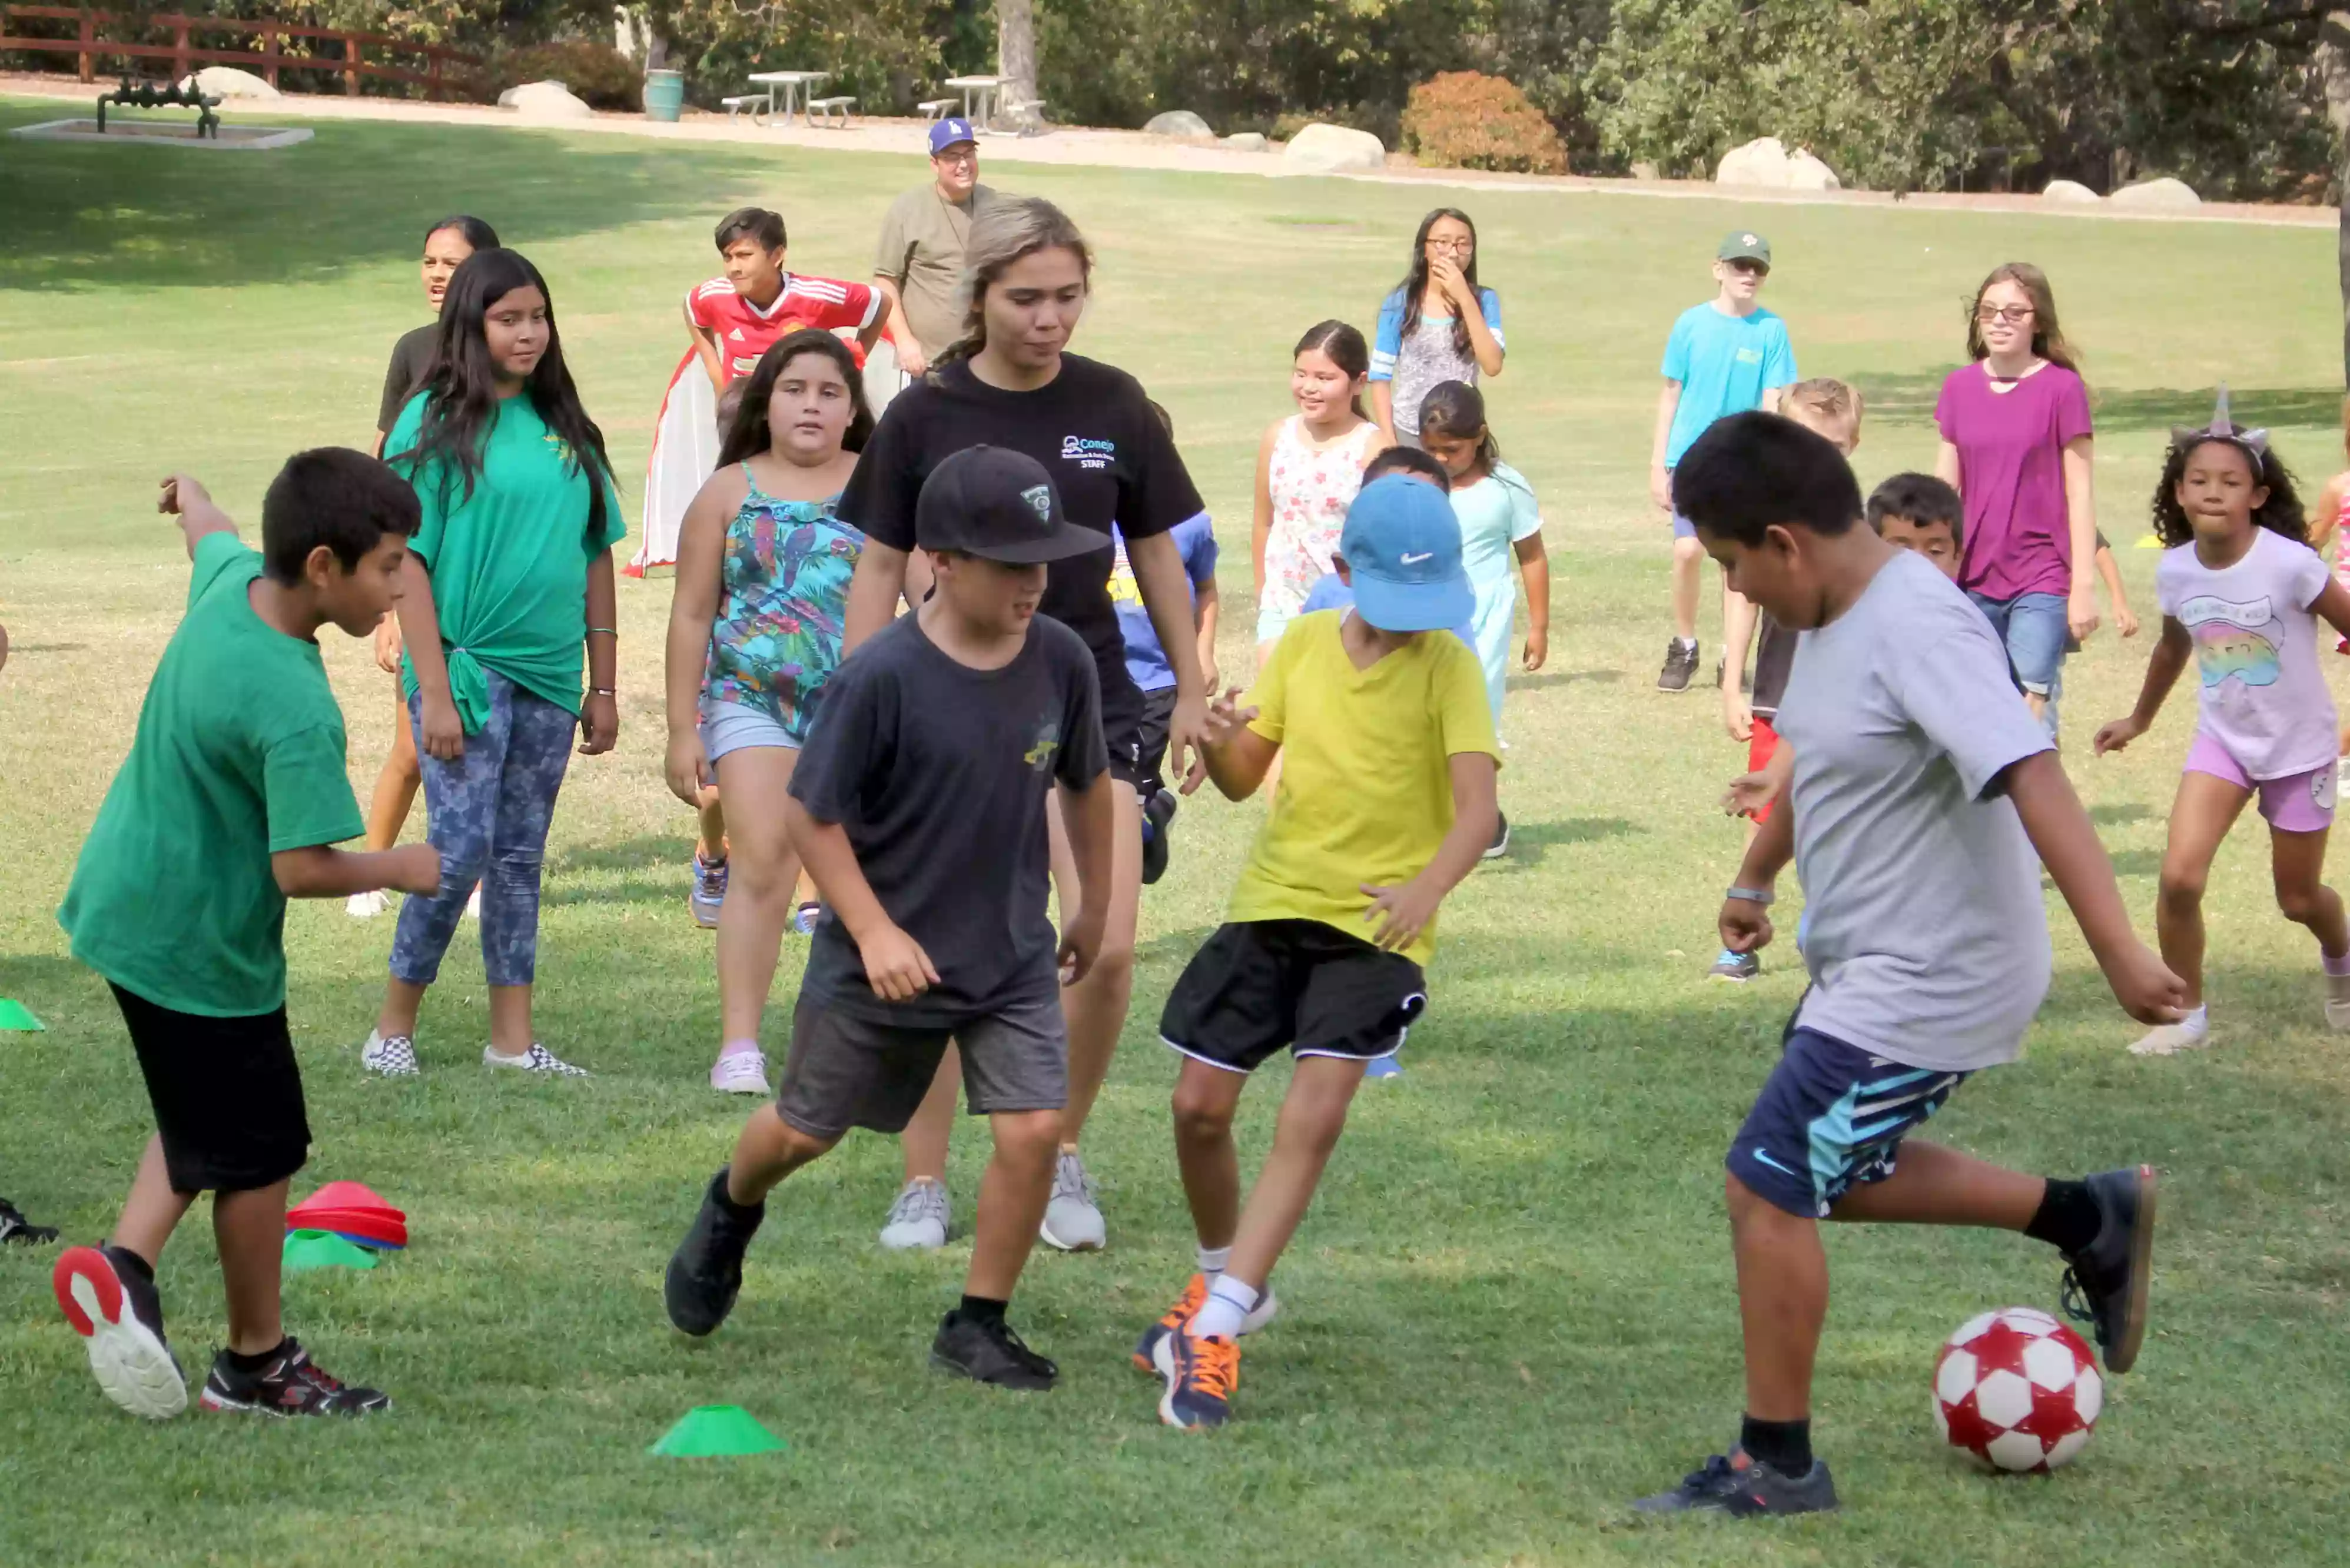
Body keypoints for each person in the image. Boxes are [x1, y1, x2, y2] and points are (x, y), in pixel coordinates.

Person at [1637, 411, 2183, 1518]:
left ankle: (1775, 1462)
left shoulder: (1919, 624)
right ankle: (2088, 1215)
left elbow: (2033, 774)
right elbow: (1822, 765)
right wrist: (1753, 878)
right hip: (1865, 961)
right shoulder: (1835, 607)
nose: (1737, 592)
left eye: (1737, 566)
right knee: (1833, 1166)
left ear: (1784, 540)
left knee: (1769, 1179)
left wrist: (2120, 949)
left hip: (1937, 970)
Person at [662, 446, 1116, 1390]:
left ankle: (978, 1322)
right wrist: (869, 930)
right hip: (879, 959)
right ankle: (731, 1208)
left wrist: (1094, 905)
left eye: (1045, 562)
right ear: (942, 560)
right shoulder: (881, 676)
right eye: (1013, 564)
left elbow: (1087, 785)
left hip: (1008, 955)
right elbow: (809, 815)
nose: (1037, 583)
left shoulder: (1061, 660)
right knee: (801, 1133)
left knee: (1033, 1131)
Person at [839, 197, 1209, 1257]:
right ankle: (922, 1177)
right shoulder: (925, 410)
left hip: (1088, 691)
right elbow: (875, 566)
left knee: (1110, 944)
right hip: (949, 703)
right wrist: (867, 701)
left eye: (1067, 297)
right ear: (979, 297)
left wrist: (1189, 680)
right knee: (946, 942)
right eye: (1027, 298)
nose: (1051, 319)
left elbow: (1156, 554)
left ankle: (1057, 1149)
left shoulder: (1114, 404)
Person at [51, 459, 440, 1421]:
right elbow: (301, 867)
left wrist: (190, 493)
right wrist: (402, 866)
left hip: (125, 905)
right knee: (260, 1149)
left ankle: (126, 1267)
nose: (399, 586)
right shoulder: (295, 702)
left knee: (204, 1111)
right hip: (199, 948)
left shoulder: (233, 580)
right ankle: (256, 1363)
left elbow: (210, 529)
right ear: (321, 564)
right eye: (387, 567)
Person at [1141, 476, 1499, 1429]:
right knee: (1197, 1105)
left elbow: (1478, 811)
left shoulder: (1449, 667)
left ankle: (1213, 1325)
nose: (1414, 624)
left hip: (1376, 930)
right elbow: (1242, 777)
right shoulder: (1301, 643)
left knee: (1313, 1112)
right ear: (1342, 572)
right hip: (1271, 906)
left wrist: (1427, 889)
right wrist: (1218, 740)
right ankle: (1229, 1278)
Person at [357, 248, 625, 1080]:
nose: (529, 333)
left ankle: (512, 1042)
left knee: (518, 856)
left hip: (551, 678)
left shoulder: (568, 428)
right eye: (509, 318)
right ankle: (392, 1026)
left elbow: (596, 557)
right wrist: (430, 692)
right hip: (463, 672)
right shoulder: (431, 420)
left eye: (539, 316)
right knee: (462, 847)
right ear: (470, 326)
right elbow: (410, 564)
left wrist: (605, 683)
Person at [2092, 397, 2350, 1057]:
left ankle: (2341, 962)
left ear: (2257, 495)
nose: (2212, 492)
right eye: (2198, 480)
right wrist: (2138, 719)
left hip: (2298, 749)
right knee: (2178, 880)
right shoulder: (2175, 569)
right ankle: (2184, 1014)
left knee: (2296, 899)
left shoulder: (2290, 563)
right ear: (2177, 492)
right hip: (2222, 745)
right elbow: (2173, 649)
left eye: (2230, 482)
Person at [665, 330, 872, 1095]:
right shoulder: (726, 493)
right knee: (763, 862)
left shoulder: (885, 486)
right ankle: (741, 1048)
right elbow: (691, 615)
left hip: (859, 709)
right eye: (795, 390)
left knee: (861, 872)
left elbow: (927, 596)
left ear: (853, 410)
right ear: (767, 403)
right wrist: (684, 729)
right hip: (750, 700)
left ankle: (852, 1038)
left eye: (829, 392)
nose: (811, 405)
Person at [353, 214, 499, 921]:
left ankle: (470, 875)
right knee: (413, 745)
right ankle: (370, 870)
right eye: (429, 261)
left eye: (452, 263)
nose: (437, 275)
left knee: (483, 745)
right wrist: (384, 606)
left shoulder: (515, 358)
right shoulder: (413, 351)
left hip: (488, 582)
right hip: (419, 569)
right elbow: (387, 476)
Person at [636, 208, 884, 575]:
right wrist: (718, 377)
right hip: (745, 412)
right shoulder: (715, 295)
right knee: (743, 487)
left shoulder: (818, 295)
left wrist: (851, 367)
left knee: (811, 479)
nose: (734, 267)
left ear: (777, 255)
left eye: (744, 256)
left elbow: (879, 305)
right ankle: (741, 559)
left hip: (803, 413)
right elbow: (693, 310)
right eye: (727, 257)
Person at [1711, 378, 1858, 982]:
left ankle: (1835, 928)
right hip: (1778, 690)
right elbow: (1740, 596)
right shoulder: (1762, 515)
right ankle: (1741, 933)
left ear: (1850, 446)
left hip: (1846, 696)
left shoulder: (1858, 523)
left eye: (1830, 443)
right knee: (1765, 808)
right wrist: (1730, 682)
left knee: (1840, 814)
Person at [1934, 262, 2099, 737]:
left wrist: (2083, 586)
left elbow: (2080, 491)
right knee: (1974, 708)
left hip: (2042, 574)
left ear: (2038, 320)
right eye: (1988, 311)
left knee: (2033, 711)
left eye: (2014, 311)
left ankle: (2039, 811)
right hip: (1973, 574)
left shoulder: (2062, 390)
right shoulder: (1958, 387)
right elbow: (1944, 492)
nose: (2000, 321)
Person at [1651, 231, 1797, 693]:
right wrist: (1659, 463)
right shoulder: (1690, 324)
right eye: (1740, 266)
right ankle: (1684, 643)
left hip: (1742, 463)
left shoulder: (1771, 330)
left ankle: (1732, 658)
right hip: (1690, 461)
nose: (1749, 275)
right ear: (1719, 270)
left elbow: (1773, 398)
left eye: (1758, 268)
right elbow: (1671, 394)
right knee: (1688, 550)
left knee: (1736, 564)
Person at [1412, 381, 1545, 858]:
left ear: (1480, 435)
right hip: (1426, 615)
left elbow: (1531, 555)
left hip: (1485, 617)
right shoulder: (1417, 484)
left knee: (1475, 718)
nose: (1442, 459)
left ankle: (1483, 821)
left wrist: (1539, 626)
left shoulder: (1506, 488)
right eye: (1431, 450)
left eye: (1452, 449)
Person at [1111, 401, 1219, 887]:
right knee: (1104, 795)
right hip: (1101, 677)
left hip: (1157, 683)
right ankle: (1151, 810)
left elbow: (1207, 589)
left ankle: (1146, 818)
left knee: (1123, 796)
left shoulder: (1189, 524)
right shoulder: (1091, 516)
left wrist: (1202, 656)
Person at [1253, 321, 1384, 665]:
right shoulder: (1277, 437)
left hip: (1345, 608)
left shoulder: (1374, 449)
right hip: (1281, 603)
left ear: (1359, 382)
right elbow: (1264, 522)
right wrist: (1263, 592)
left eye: (1325, 379)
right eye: (1301, 374)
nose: (1308, 388)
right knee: (1274, 710)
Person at [873, 118, 998, 383]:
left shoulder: (997, 206)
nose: (963, 164)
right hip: (929, 364)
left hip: (989, 357)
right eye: (952, 157)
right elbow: (886, 282)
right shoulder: (908, 209)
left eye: (969, 154)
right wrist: (905, 341)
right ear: (935, 164)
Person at [1368, 209, 1503, 448]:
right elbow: (1380, 376)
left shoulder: (1485, 300)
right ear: (1425, 248)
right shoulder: (1401, 303)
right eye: (1443, 242)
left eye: (1463, 245)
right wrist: (1389, 439)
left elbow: (1493, 365)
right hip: (1409, 432)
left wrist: (1464, 297)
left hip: (1462, 436)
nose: (1453, 253)